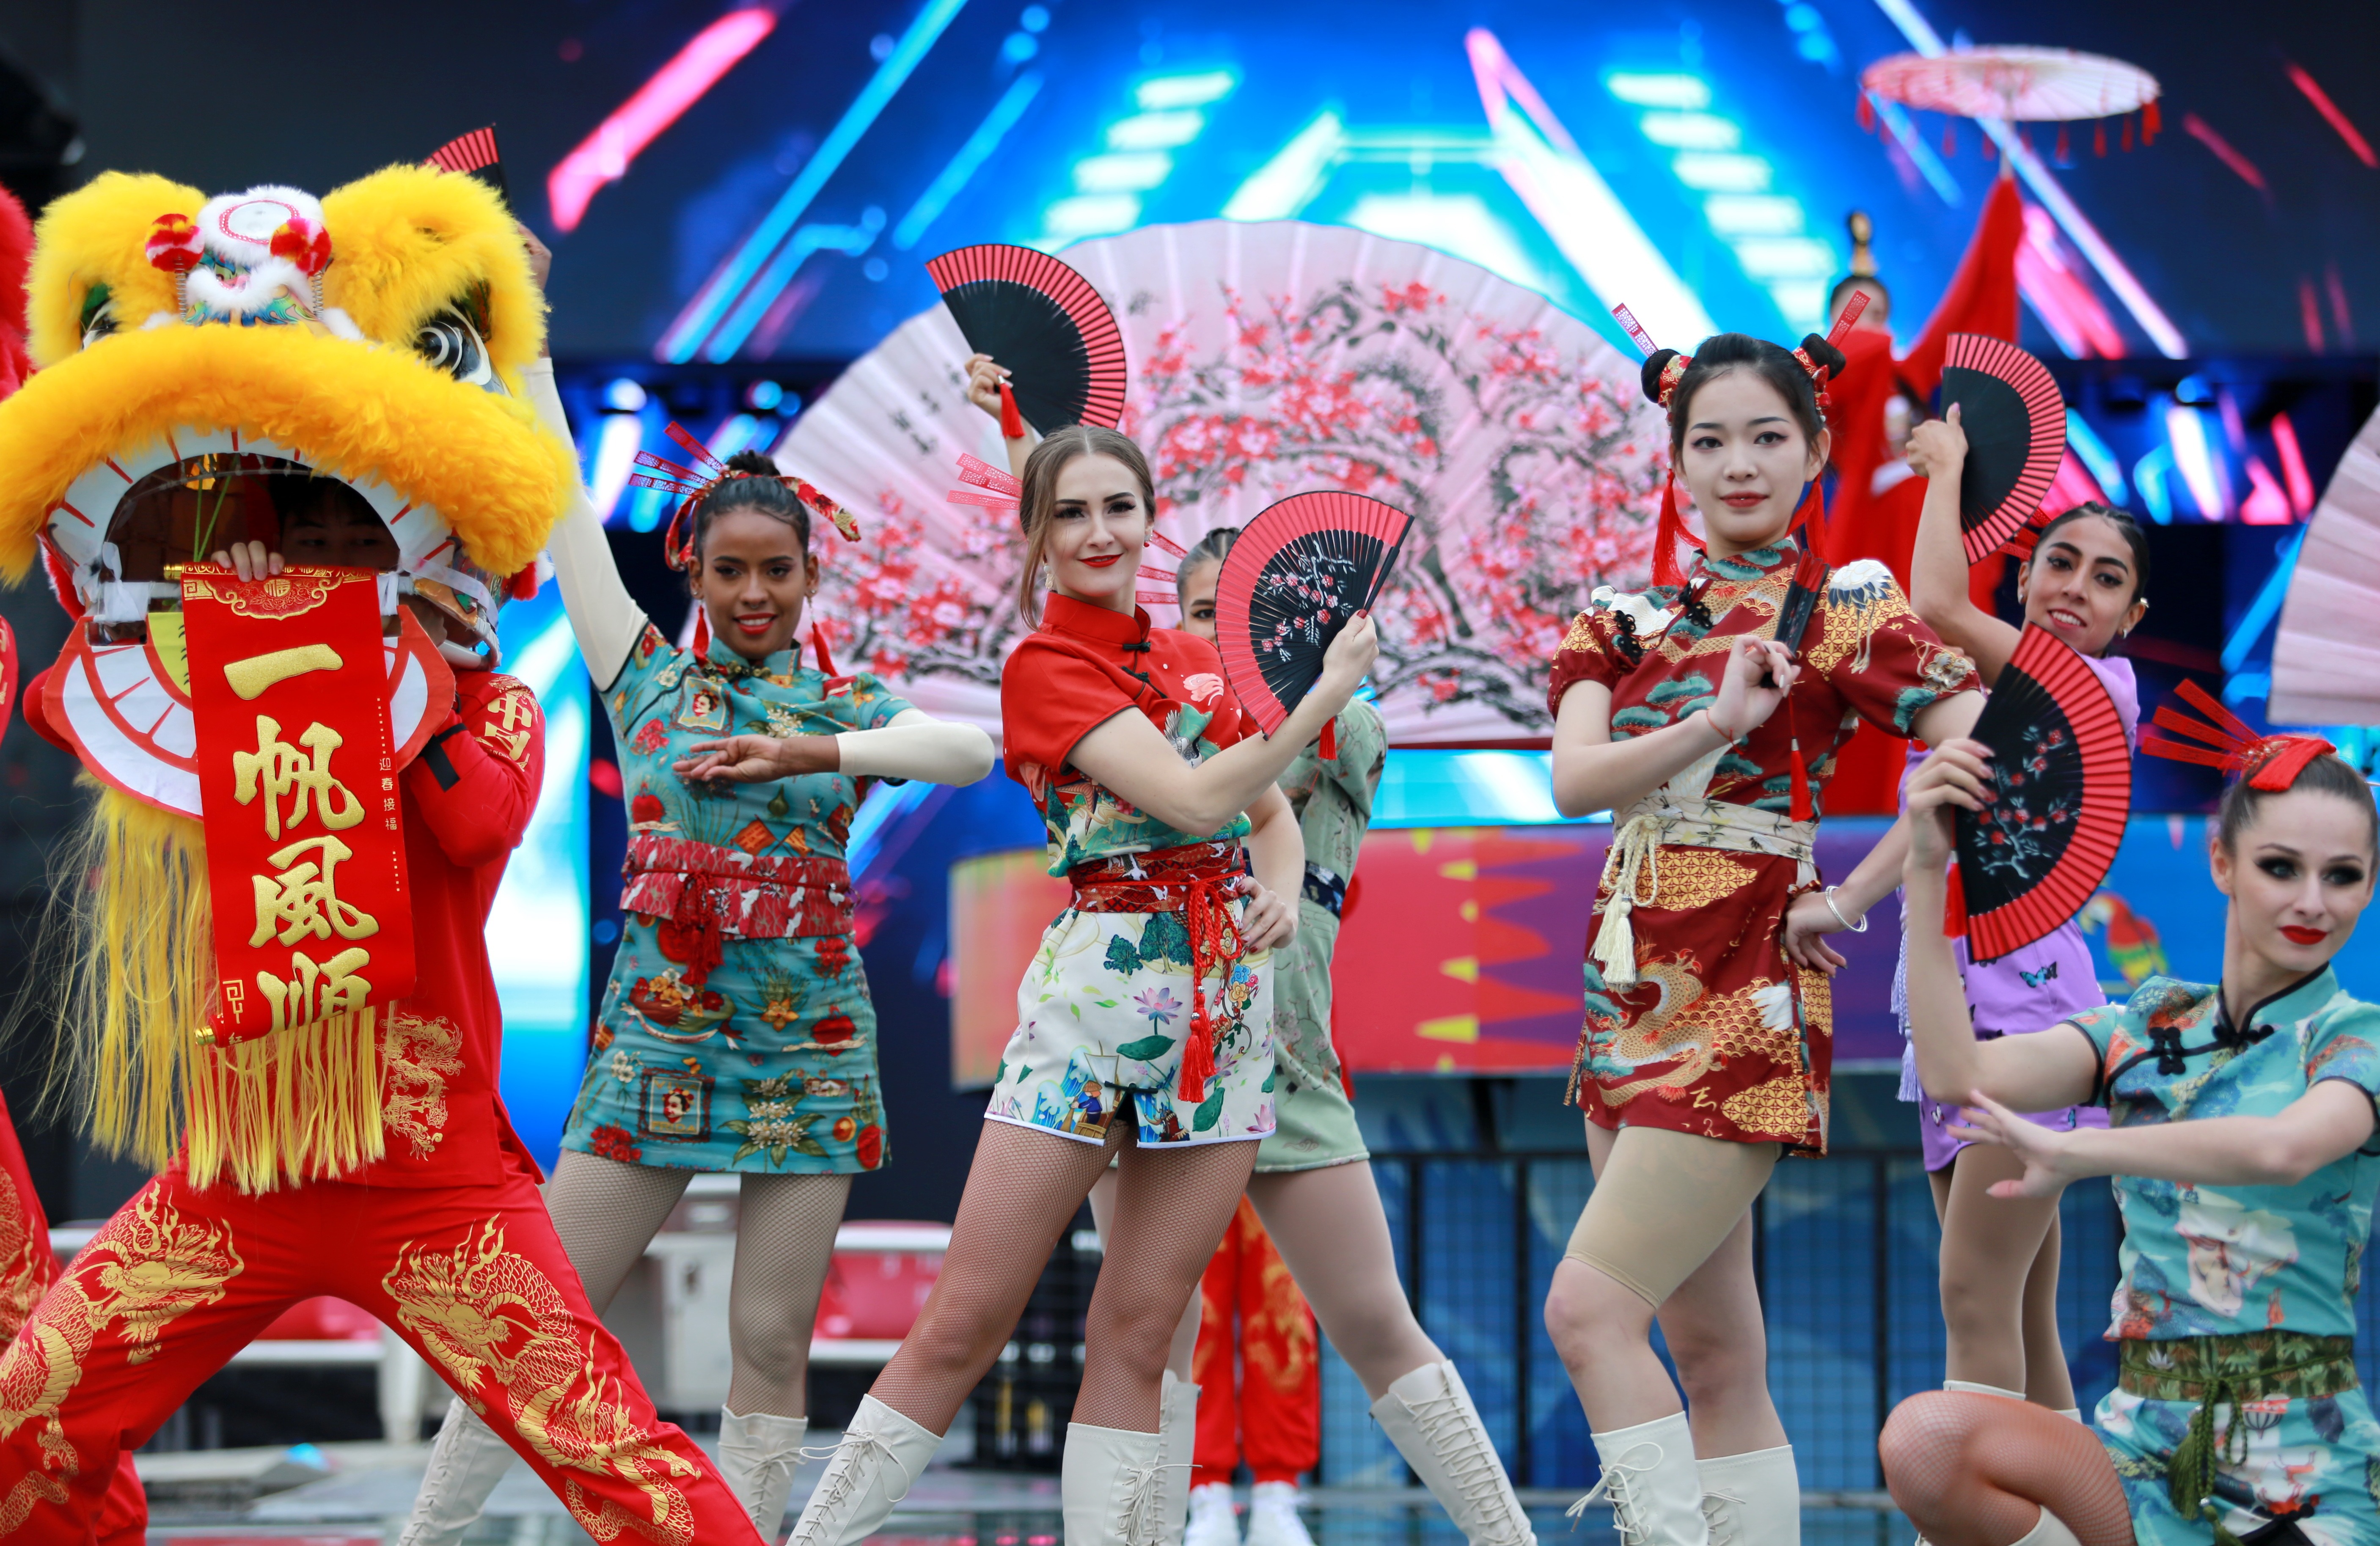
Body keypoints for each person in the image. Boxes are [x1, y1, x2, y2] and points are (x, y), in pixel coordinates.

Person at [0, 163, 770, 1546]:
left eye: (344, 532)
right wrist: (217, 623)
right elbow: (71, 699)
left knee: (617, 1459)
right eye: (292, 529)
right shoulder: (209, 698)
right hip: (236, 1175)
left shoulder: (491, 704)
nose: (311, 558)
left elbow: (473, 823)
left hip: (433, 1184)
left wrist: (382, 669)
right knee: (27, 1421)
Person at [399, 233, 996, 1546]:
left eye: (777, 569)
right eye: (730, 569)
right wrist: (523, 337)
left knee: (769, 1336)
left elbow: (971, 749)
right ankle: (427, 1535)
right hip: (657, 1047)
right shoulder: (645, 681)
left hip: (810, 1050)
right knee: (534, 1318)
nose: (754, 591)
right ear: (695, 575)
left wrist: (812, 752)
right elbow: (566, 503)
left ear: (810, 576)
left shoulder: (846, 706)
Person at [788, 423, 1375, 1546]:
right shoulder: (1043, 666)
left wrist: (1278, 892)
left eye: (1118, 506)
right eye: (1069, 512)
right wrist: (1319, 698)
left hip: (1223, 1009)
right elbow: (1196, 799)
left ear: (1150, 518)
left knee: (1142, 1331)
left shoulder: (1194, 656)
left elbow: (1268, 814)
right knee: (964, 1322)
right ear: (1036, 537)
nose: (1098, 531)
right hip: (1099, 996)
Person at [973, 379, 1537, 1546]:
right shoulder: (1166, 690)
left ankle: (1344, 1498)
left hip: (1276, 1025)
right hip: (1153, 1021)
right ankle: (1181, 1511)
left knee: (1343, 1306)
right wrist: (1021, 438)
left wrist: (1298, 682)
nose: (1204, 642)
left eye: (1229, 619)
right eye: (1192, 616)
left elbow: (1258, 763)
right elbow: (1085, 544)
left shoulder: (1327, 717)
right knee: (1152, 1322)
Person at [1540, 330, 1984, 1546]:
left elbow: (1976, 735)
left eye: (1766, 436)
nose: (1738, 463)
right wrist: (1715, 721)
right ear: (1676, 462)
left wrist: (1854, 894)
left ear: (1816, 450)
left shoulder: (1843, 608)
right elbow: (1574, 781)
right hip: (1623, 981)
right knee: (1713, 1353)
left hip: (1744, 988)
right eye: (1710, 440)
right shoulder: (1619, 618)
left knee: (1586, 1311)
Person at [1879, 719, 2380, 1546]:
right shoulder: (2147, 1023)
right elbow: (1953, 1073)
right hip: (2140, 1457)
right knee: (1926, 1441)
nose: (2310, 902)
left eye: (2342, 876)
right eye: (2279, 867)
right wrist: (1925, 870)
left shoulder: (2354, 1037)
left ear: (2367, 887)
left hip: (2304, 1471)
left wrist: (2075, 1151)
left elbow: (2280, 1149)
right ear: (2220, 861)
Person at [1887, 406, 2152, 1418]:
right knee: (2019, 1312)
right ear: (2025, 575)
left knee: (1972, 1296)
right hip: (1953, 1009)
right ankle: (2063, 1502)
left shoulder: (2092, 691)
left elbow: (1934, 599)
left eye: (2105, 578)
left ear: (2130, 616)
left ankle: (1979, 1497)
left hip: (2024, 1017)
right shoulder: (1993, 705)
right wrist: (1841, 907)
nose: (2075, 588)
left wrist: (1943, 469)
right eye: (2059, 562)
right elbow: (1919, 838)